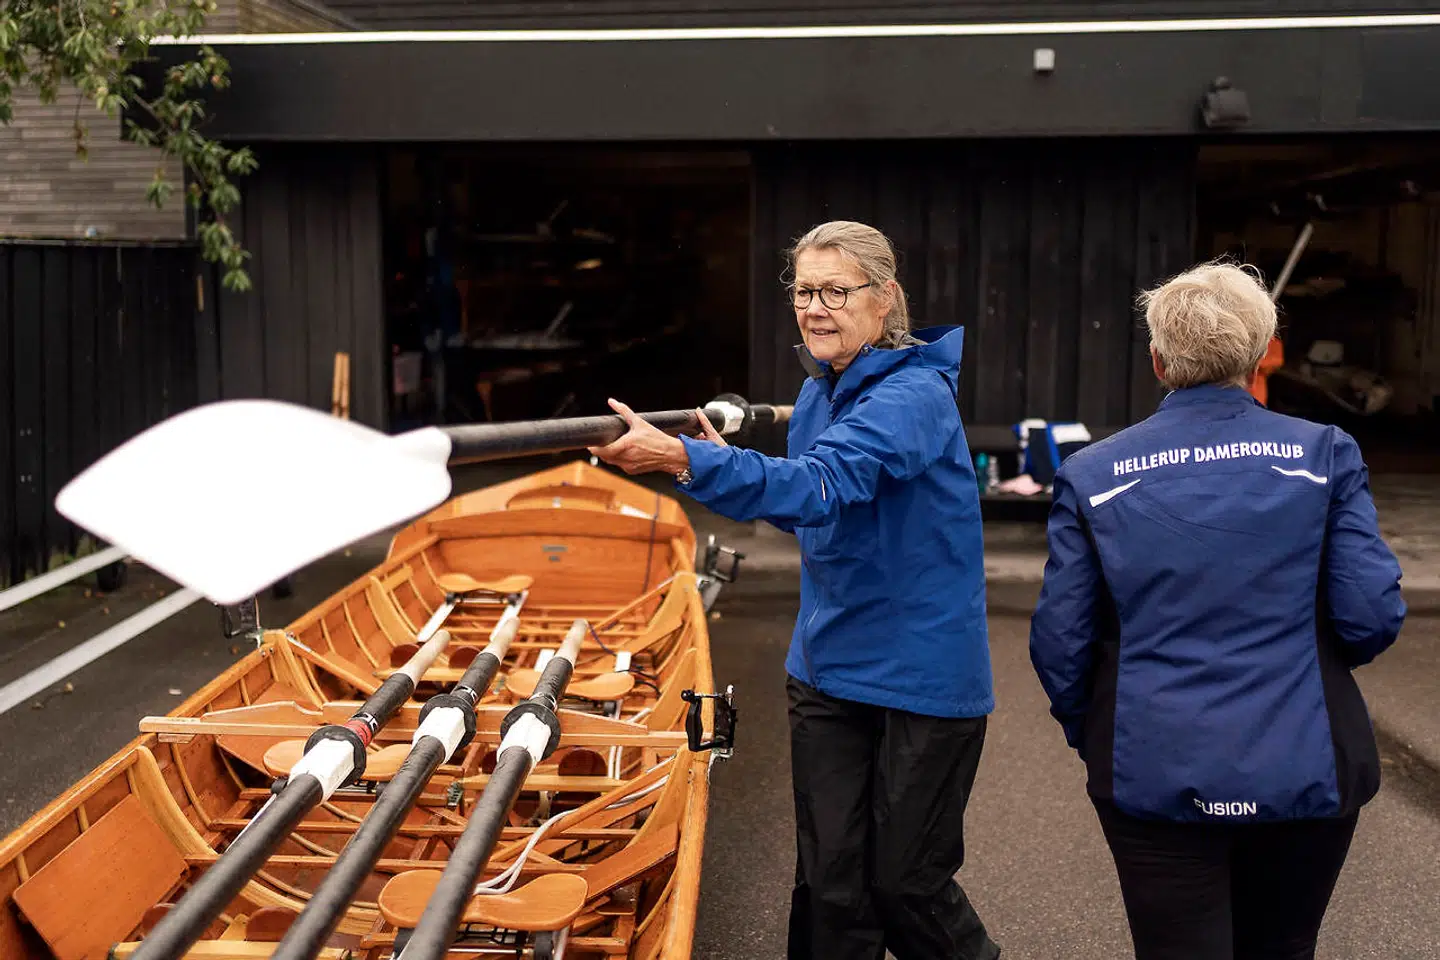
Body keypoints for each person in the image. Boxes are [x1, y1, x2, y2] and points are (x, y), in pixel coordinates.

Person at [588, 220, 1000, 960]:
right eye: (804, 291)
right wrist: (716, 463)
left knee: (907, 886)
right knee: (831, 887)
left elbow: (818, 485)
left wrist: (682, 459)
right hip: (827, 667)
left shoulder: (914, 395)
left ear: (885, 297)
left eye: (835, 291)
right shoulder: (819, 393)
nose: (814, 308)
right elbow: (806, 505)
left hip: (921, 676)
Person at [1028, 260, 1406, 960]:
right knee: (1283, 946)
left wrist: (1103, 734)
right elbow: (1369, 616)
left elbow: (1060, 643)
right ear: (1260, 356)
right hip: (1307, 765)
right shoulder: (1324, 454)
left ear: (1157, 360)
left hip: (1151, 765)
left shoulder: (1092, 473)